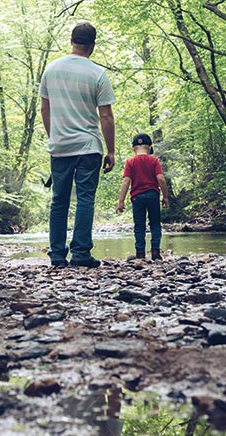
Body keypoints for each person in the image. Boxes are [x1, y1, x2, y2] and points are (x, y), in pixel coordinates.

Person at [40, 22, 116, 268]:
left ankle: (57, 256)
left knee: (59, 199)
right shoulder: (97, 74)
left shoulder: (50, 70)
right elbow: (106, 116)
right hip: (88, 147)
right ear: (92, 45)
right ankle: (81, 254)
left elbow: (45, 108)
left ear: (71, 41)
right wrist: (111, 150)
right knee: (85, 199)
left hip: (60, 146)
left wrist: (55, 136)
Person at [116, 133, 169, 260]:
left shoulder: (130, 162)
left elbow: (126, 181)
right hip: (152, 195)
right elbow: (161, 178)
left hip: (137, 197)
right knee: (155, 223)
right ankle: (155, 251)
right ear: (149, 148)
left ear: (133, 148)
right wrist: (165, 197)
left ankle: (140, 253)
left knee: (139, 225)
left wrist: (121, 201)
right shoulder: (154, 160)